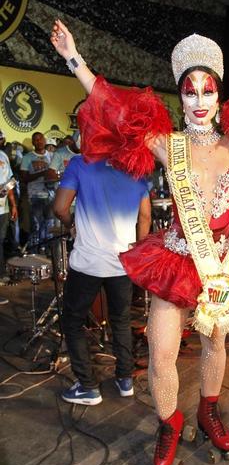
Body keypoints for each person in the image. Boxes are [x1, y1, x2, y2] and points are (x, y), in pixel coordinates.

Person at [51, 4, 229, 465]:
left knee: (215, 345)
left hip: (221, 261)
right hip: (178, 259)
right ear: (180, 96)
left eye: (208, 90)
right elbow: (114, 110)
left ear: (219, 96)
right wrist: (75, 59)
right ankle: (170, 421)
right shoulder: (167, 143)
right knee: (161, 354)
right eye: (190, 90)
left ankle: (208, 408)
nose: (199, 99)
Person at [53, 155, 151, 405]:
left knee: (73, 322)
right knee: (121, 319)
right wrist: (136, 251)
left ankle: (87, 386)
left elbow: (60, 208)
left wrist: (71, 225)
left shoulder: (80, 163)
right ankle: (125, 379)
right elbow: (145, 217)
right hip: (121, 262)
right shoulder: (134, 165)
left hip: (88, 262)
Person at [20, 132, 53, 252]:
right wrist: (42, 173)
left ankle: (47, 253)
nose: (39, 141)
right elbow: (24, 178)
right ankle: (34, 253)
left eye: (41, 139)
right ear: (33, 143)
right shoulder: (27, 157)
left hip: (51, 196)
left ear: (45, 140)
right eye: (36, 140)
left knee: (49, 226)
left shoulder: (52, 156)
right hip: (35, 196)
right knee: (36, 226)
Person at [0, 142, 18, 294]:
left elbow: (11, 182)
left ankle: (1, 274)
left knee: (0, 241)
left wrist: (13, 205)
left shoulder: (3, 156)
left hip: (3, 208)